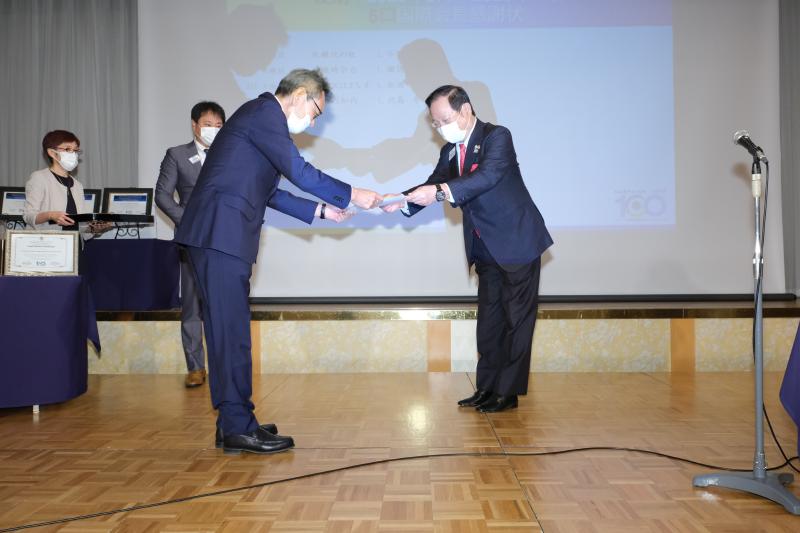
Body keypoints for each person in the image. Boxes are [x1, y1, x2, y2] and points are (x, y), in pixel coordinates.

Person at [174, 68, 380, 454]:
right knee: (231, 334)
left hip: (220, 236)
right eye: (316, 112)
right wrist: (352, 193)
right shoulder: (264, 114)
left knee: (227, 332)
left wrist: (322, 211)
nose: (313, 122)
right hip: (220, 235)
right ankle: (238, 425)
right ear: (300, 94)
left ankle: (233, 420)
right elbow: (299, 171)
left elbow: (270, 192)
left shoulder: (259, 120)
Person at [383, 85, 553, 413]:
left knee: (516, 322)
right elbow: (434, 181)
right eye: (434, 123)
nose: (440, 128)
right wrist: (400, 200)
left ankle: (507, 392)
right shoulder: (451, 151)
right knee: (489, 322)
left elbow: (486, 177)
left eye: (444, 120)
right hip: (484, 246)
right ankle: (487, 387)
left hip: (517, 242)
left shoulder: (496, 137)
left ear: (465, 110)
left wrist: (439, 192)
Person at [23, 130, 89, 231]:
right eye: (68, 149)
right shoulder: (39, 178)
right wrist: (50, 215)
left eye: (75, 150)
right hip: (47, 240)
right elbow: (29, 216)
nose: (73, 154)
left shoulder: (77, 185)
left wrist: (94, 229)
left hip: (73, 240)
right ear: (52, 153)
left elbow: (80, 226)